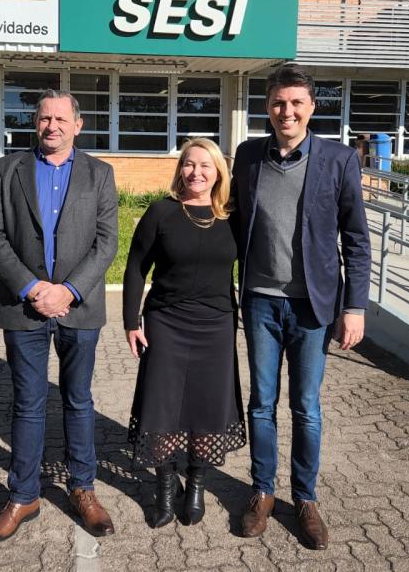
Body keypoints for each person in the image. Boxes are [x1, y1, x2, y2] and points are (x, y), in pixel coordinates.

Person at [231, 62, 370, 550]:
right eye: (278, 103)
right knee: (261, 404)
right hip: (260, 303)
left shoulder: (338, 160)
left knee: (306, 407)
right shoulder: (248, 155)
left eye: (295, 103)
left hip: (313, 307)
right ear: (267, 107)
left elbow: (356, 239)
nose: (286, 111)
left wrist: (355, 307)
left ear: (311, 108)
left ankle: (305, 498)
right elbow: (232, 221)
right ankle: (263, 492)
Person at [0, 89, 119, 543]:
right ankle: (23, 496)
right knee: (28, 403)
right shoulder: (7, 170)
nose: (51, 126)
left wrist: (68, 290)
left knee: (79, 401)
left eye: (60, 119)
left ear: (78, 125)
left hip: (80, 307)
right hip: (24, 306)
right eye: (44, 118)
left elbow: (107, 242)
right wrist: (33, 287)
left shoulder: (100, 173)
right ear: (34, 123)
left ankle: (82, 488)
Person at [123, 138, 246, 529]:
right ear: (180, 170)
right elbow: (136, 268)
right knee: (162, 405)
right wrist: (131, 322)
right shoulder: (161, 212)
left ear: (218, 173)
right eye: (189, 165)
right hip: (167, 323)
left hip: (216, 325)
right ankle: (163, 487)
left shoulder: (232, 217)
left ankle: (195, 484)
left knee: (206, 406)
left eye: (205, 165)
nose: (196, 172)